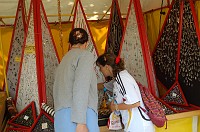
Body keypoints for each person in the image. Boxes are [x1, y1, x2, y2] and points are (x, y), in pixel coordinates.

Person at [53, 28, 99, 132]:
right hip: (80, 115)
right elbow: (81, 87)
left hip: (61, 117)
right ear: (86, 44)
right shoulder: (85, 55)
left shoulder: (63, 60)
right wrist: (81, 122)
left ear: (70, 44)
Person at [96, 53, 155, 132]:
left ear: (107, 67)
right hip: (135, 125)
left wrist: (115, 107)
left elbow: (134, 102)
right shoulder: (119, 78)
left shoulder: (122, 78)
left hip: (138, 126)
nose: (100, 70)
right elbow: (103, 86)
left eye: (100, 67)